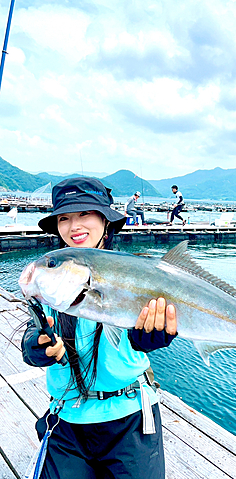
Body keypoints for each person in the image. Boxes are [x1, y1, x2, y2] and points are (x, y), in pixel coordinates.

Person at [21, 177, 177, 479]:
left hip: (130, 419)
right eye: (64, 218)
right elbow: (33, 331)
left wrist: (149, 338)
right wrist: (37, 347)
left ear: (106, 220)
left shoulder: (136, 270)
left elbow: (139, 335)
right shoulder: (54, 283)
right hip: (66, 420)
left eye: (84, 214)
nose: (73, 225)